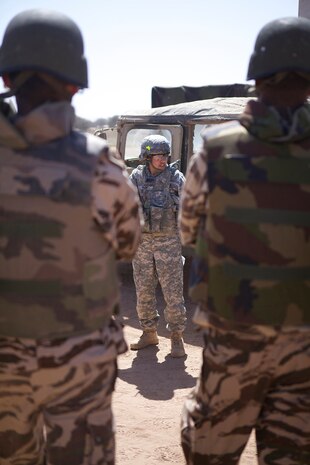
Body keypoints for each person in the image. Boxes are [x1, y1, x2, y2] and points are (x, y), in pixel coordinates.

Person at [0, 9, 142, 465]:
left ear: (6, 76)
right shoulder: (100, 164)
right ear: (76, 83)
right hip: (80, 356)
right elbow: (127, 244)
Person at [179, 16, 310, 465]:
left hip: (234, 331)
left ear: (255, 75)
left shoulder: (216, 149)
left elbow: (188, 229)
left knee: (208, 450)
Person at [129, 134, 187, 358]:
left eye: (164, 155)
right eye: (157, 156)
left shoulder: (175, 178)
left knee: (173, 293)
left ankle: (176, 338)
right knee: (143, 291)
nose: (162, 160)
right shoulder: (136, 177)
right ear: (147, 157)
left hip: (168, 242)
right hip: (142, 244)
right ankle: (149, 332)